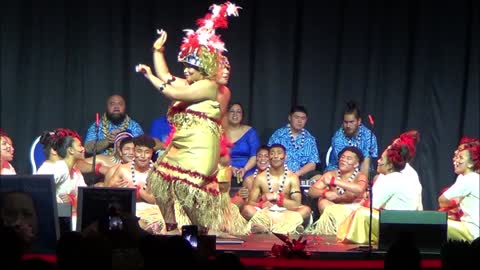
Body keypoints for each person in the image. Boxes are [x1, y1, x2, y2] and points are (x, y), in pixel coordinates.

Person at [136, 2, 240, 232]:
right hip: (182, 143)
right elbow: (167, 76)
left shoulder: (210, 87)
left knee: (186, 190)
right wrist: (157, 51)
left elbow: (171, 90)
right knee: (159, 181)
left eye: (189, 67)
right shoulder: (195, 83)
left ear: (204, 68)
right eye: (184, 66)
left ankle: (198, 233)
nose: (185, 71)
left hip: (201, 146)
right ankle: (172, 228)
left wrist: (150, 76)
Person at [336, 133, 422, 244]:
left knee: (361, 213)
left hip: (398, 224)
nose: (378, 161)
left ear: (390, 165)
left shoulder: (391, 179)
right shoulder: (397, 176)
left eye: (381, 159)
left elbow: (372, 205)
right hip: (404, 221)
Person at [241, 144, 312, 234]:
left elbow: (297, 204)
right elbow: (250, 203)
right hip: (266, 214)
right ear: (269, 157)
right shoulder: (260, 178)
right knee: (247, 209)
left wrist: (278, 198)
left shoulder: (292, 177)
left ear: (285, 157)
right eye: (272, 153)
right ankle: (289, 228)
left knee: (306, 210)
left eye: (279, 153)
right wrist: (261, 205)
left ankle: (267, 228)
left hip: (286, 213)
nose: (275, 156)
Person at [306, 146, 367, 235]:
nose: (343, 160)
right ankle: (336, 229)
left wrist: (334, 181)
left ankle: (344, 230)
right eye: (342, 157)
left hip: (352, 212)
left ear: (356, 164)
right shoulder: (330, 174)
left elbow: (359, 189)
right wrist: (324, 193)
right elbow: (311, 191)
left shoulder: (360, 176)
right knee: (323, 202)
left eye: (348, 158)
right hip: (333, 211)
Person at [438, 138, 479, 242]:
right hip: (470, 228)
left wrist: (453, 204)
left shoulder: (469, 178)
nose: (456, 160)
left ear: (470, 164)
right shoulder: (468, 177)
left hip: (471, 231)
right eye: (457, 157)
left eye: (460, 158)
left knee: (436, 224)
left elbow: (442, 200)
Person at [325, 100, 378, 179]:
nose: (348, 125)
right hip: (339, 170)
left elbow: (366, 162)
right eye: (346, 122)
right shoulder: (338, 138)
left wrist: (361, 183)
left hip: (363, 172)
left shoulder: (368, 136)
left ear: (359, 121)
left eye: (351, 122)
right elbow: (342, 164)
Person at [35, 128, 87, 206]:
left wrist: (73, 201)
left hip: (68, 214)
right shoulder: (60, 168)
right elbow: (38, 189)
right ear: (70, 150)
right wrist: (61, 203)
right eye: (79, 146)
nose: (83, 148)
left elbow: (84, 197)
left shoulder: (76, 172)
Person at [268, 105, 320, 179]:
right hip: (280, 174)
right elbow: (270, 157)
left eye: (303, 118)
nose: (299, 121)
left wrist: (296, 175)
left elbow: (312, 164)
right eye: (296, 117)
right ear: (290, 118)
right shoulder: (278, 135)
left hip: (301, 175)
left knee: (318, 177)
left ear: (306, 120)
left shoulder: (310, 138)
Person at [226, 102, 260, 186]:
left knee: (250, 181)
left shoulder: (250, 132)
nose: (235, 114)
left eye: (238, 112)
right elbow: (216, 156)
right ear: (226, 114)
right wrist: (230, 167)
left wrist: (244, 169)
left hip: (248, 168)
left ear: (242, 115)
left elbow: (255, 155)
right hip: (225, 168)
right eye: (232, 111)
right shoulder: (220, 132)